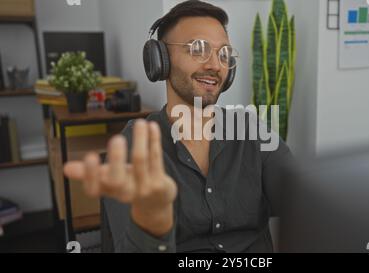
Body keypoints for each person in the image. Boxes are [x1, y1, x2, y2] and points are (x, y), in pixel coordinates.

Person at [63, 0, 296, 253]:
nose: (215, 65)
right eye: (198, 49)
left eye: (224, 54)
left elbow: (304, 202)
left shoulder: (252, 132)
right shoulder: (134, 149)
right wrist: (151, 229)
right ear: (159, 59)